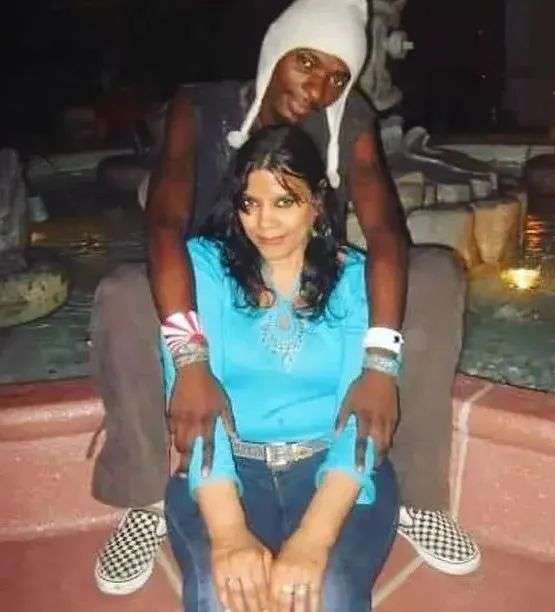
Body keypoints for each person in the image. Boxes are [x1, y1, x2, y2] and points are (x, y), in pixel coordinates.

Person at [91, 0, 479, 596]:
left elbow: (383, 229)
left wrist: (379, 363)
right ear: (276, 51)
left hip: (308, 262)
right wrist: (190, 358)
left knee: (433, 276)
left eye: (337, 76)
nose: (319, 88)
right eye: (306, 62)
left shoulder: (348, 118)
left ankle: (414, 495)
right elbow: (164, 222)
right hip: (208, 269)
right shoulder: (203, 106)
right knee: (123, 293)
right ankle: (145, 497)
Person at [165, 123, 399, 612]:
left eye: (284, 202)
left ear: (317, 203)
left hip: (332, 471)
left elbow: (358, 426)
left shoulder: (356, 279)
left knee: (326, 594)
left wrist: (313, 540)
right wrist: (228, 533)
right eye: (249, 203)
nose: (264, 222)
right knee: (222, 595)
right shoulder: (202, 269)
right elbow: (195, 408)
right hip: (225, 467)